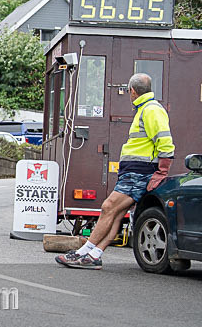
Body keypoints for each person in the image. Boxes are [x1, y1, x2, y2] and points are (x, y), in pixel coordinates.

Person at [56, 73, 174, 270]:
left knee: (108, 207)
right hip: (136, 172)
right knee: (117, 214)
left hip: (139, 173)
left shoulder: (151, 110)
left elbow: (165, 141)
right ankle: (95, 255)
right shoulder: (146, 109)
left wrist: (162, 171)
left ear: (132, 91)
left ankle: (83, 251)